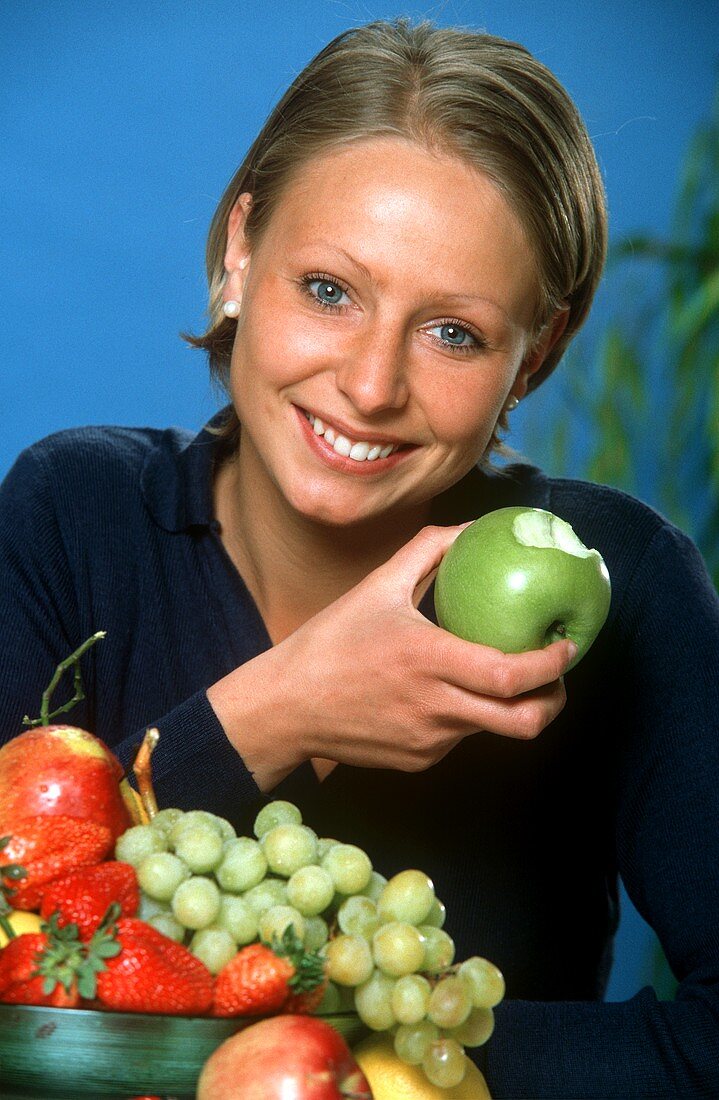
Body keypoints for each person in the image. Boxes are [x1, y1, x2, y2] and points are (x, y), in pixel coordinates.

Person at [1, 18, 717, 1097]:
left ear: (540, 351)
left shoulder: (624, 583)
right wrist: (273, 713)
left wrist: (382, 1072)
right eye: (329, 289)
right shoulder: (72, 513)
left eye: (453, 333)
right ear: (240, 253)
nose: (372, 385)